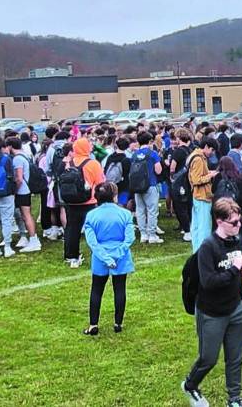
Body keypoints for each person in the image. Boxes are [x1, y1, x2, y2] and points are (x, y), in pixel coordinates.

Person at [182, 197, 242, 407]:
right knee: (208, 358)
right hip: (211, 312)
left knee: (235, 357)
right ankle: (190, 385)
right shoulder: (208, 247)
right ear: (219, 222)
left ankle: (235, 399)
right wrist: (234, 269)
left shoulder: (236, 239)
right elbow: (209, 282)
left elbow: (237, 277)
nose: (238, 226)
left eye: (239, 221)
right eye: (234, 223)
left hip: (236, 308)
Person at [82, 182, 135, 336]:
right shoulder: (124, 214)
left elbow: (92, 242)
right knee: (120, 289)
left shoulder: (91, 215)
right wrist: (117, 254)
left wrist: (105, 258)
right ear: (114, 196)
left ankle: (93, 325)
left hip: (100, 258)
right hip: (121, 257)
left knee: (96, 290)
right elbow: (129, 238)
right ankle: (118, 323)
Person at [64, 138, 106, 267]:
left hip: (71, 200)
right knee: (95, 229)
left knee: (72, 229)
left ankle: (71, 256)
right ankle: (99, 253)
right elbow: (100, 182)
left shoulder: (68, 162)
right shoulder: (93, 164)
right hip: (89, 200)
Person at [6, 137, 42, 252]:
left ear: (11, 146)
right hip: (26, 189)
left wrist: (15, 190)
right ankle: (32, 238)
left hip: (22, 190)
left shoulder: (17, 159)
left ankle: (33, 239)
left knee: (26, 215)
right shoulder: (24, 155)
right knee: (26, 214)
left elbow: (19, 178)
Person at [130, 132, 164, 245]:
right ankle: (152, 235)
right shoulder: (153, 154)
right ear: (150, 141)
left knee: (140, 210)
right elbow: (158, 170)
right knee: (152, 210)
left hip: (137, 185)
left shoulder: (134, 155)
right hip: (150, 184)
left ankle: (143, 234)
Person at [188, 137, 220, 252]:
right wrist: (210, 176)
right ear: (206, 147)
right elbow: (196, 180)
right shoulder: (199, 159)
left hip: (197, 196)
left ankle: (197, 251)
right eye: (212, 150)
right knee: (204, 227)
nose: (212, 153)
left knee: (196, 226)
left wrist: (207, 173)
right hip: (202, 197)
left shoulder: (196, 156)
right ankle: (202, 252)